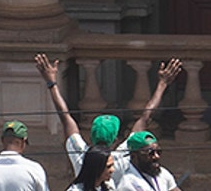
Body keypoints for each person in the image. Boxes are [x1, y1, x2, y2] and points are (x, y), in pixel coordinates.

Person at [36, 53, 181, 179]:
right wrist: (162, 84)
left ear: (92, 137)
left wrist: (52, 83)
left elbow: (65, 117)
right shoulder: (120, 157)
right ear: (115, 139)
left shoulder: (80, 155)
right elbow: (146, 116)